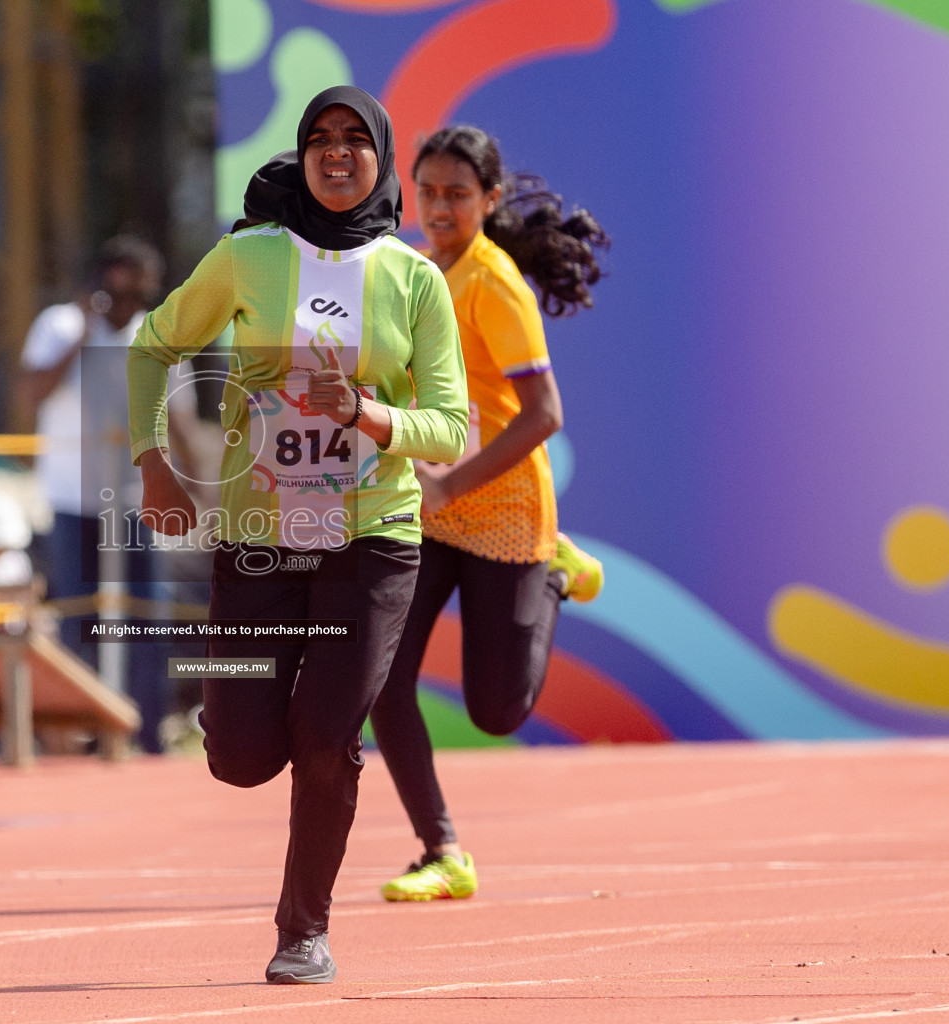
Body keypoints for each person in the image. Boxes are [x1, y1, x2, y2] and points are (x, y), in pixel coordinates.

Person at [129, 86, 468, 984]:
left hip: (373, 536)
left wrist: (366, 412)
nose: (336, 153)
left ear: (379, 158)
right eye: (319, 138)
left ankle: (302, 932)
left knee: (326, 742)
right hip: (260, 529)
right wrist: (152, 460)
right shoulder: (248, 258)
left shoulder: (411, 278)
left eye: (355, 140)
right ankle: (236, 714)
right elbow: (148, 346)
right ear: (302, 155)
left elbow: (450, 426)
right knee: (242, 757)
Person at [368, 125, 609, 902]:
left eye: (456, 195)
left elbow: (543, 413)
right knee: (380, 676)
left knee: (496, 711)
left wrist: (452, 480)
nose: (437, 208)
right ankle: (441, 850)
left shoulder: (492, 282)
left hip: (502, 508)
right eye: (427, 191)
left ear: (490, 200)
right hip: (429, 510)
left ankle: (555, 572)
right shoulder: (409, 270)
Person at [20, 236, 197, 754]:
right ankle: (80, 730)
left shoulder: (158, 333)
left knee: (147, 614)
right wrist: (80, 334)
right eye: (115, 284)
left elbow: (180, 417)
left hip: (137, 498)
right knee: (79, 615)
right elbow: (31, 391)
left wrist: (199, 484)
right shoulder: (59, 325)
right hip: (73, 498)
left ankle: (144, 732)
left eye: (134, 287)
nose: (122, 298)